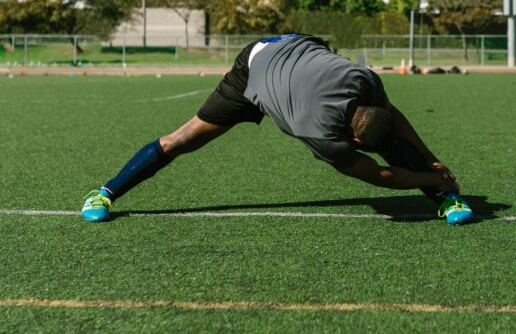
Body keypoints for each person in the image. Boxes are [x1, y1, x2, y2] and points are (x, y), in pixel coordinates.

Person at [81, 33, 473, 225]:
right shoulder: (322, 135)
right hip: (255, 63)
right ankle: (105, 193)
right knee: (183, 139)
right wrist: (421, 171)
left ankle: (443, 198)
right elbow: (377, 174)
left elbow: (395, 120)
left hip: (299, 49)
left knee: (388, 139)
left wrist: (433, 161)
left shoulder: (366, 81)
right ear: (352, 139)